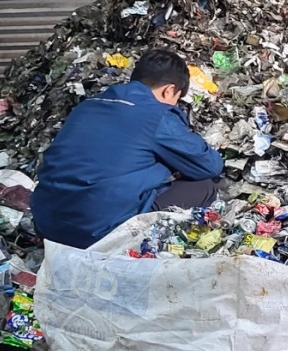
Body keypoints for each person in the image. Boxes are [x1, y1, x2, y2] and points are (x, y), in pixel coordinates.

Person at [31, 48, 224, 249]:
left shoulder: (88, 105)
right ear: (169, 90)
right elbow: (209, 165)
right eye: (177, 99)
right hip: (95, 232)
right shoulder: (158, 114)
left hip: (47, 225)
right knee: (203, 186)